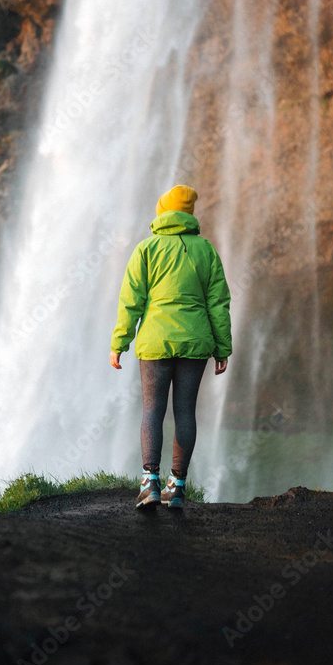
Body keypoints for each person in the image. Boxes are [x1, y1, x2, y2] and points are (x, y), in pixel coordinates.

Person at [110, 184, 232, 510]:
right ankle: (177, 487)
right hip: (195, 343)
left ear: (162, 211)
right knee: (184, 412)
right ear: (189, 215)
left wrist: (119, 343)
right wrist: (223, 349)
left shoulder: (146, 249)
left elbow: (130, 301)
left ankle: (149, 482)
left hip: (155, 342)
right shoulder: (206, 251)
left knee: (152, 410)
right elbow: (218, 304)